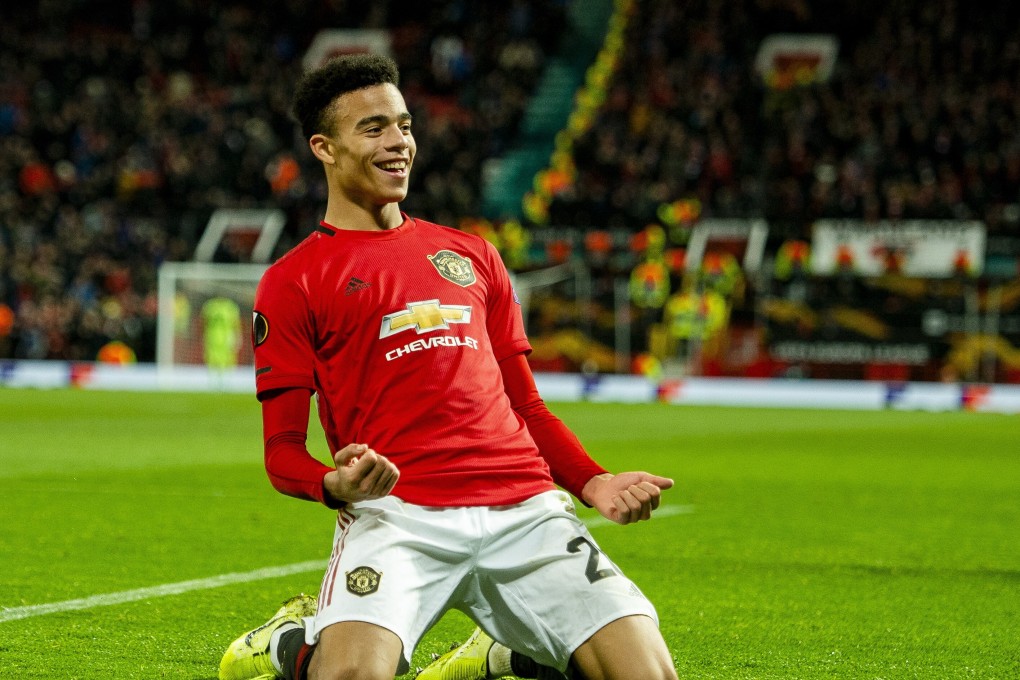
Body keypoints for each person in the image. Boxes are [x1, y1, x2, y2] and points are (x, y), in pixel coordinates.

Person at [218, 53, 679, 680]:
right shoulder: (294, 281)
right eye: (374, 128)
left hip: (526, 511)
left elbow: (527, 407)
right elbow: (281, 452)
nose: (399, 143)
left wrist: (592, 482)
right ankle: (291, 645)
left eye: (404, 125)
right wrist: (334, 485)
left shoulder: (471, 255)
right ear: (324, 148)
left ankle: (501, 656)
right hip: (398, 516)